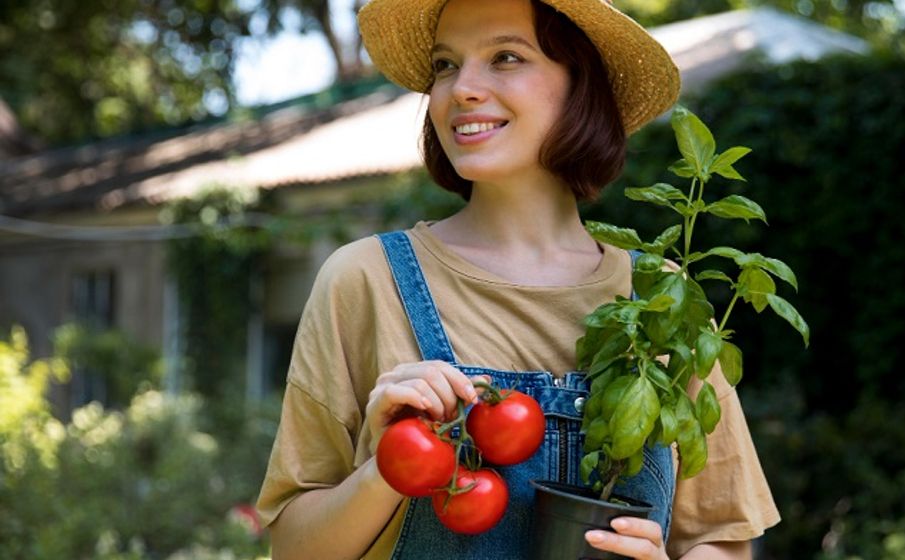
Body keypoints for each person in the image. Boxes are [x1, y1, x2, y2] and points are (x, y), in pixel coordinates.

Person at [256, 0, 780, 558]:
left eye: (506, 56)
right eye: (445, 65)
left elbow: (723, 540)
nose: (461, 89)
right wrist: (388, 468)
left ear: (584, 86)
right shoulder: (364, 281)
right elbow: (293, 548)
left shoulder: (661, 300)